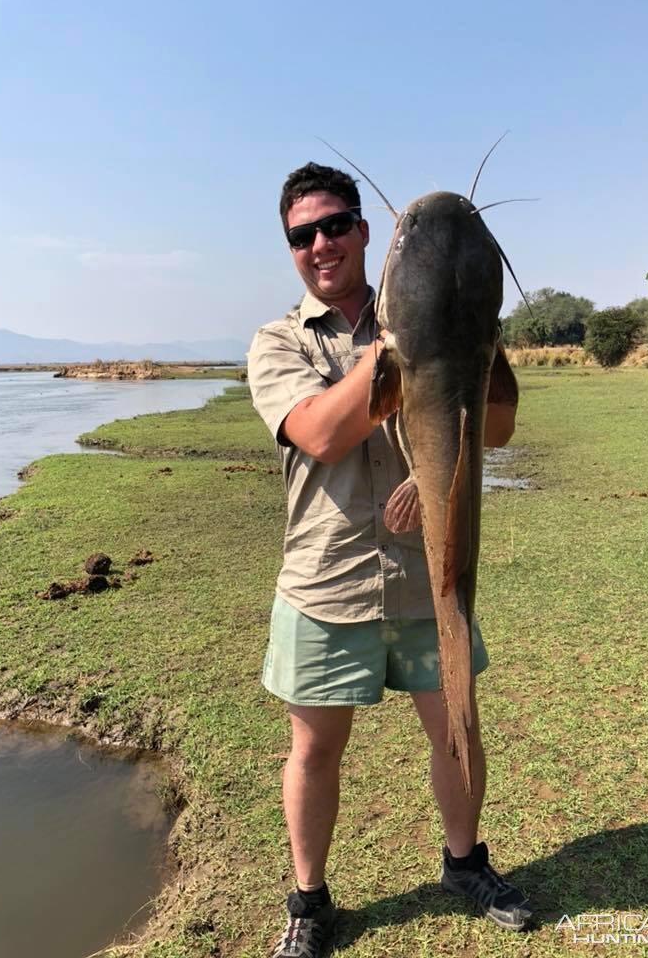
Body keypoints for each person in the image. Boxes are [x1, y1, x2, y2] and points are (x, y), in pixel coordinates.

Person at [247, 162, 531, 958]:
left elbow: (499, 432)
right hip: (323, 582)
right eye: (303, 234)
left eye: (336, 224)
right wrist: (402, 344)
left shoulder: (440, 324)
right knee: (314, 749)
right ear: (291, 249)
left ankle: (465, 862)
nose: (322, 243)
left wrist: (476, 340)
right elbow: (323, 434)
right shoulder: (278, 342)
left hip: (426, 572)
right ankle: (308, 901)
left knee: (459, 729)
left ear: (366, 233)